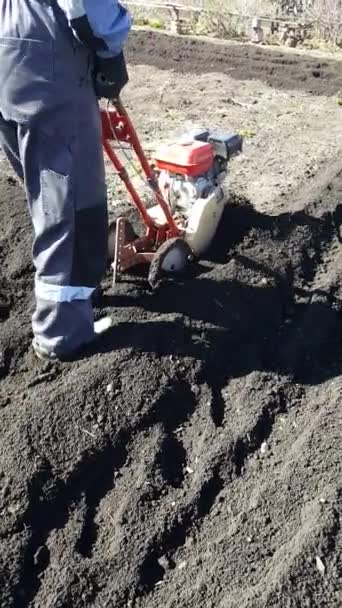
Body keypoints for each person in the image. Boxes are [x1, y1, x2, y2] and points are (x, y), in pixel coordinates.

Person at [0, 0, 131, 360]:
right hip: (49, 60)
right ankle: (63, 333)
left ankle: (77, 294)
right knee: (71, 207)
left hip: (8, 54)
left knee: (44, 194)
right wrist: (111, 48)